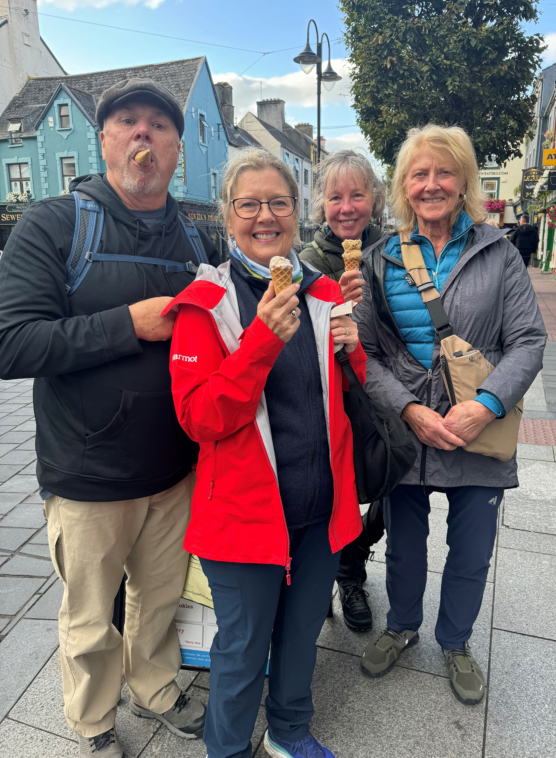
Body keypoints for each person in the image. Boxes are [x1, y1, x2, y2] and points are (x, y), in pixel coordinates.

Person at [0, 79, 220, 757]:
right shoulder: (55, 224)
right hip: (89, 474)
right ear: (104, 139)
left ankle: (154, 689)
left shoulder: (196, 234)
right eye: (128, 123)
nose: (144, 136)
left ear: (178, 148)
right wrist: (129, 325)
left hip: (176, 468)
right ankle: (94, 720)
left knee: (157, 604)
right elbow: (13, 343)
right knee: (91, 618)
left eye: (159, 126)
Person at [166, 147, 367, 758]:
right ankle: (228, 750)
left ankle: (287, 733)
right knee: (243, 647)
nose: (265, 216)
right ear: (228, 217)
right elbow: (200, 418)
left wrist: (354, 348)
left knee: (303, 633)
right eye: (248, 203)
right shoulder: (203, 305)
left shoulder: (324, 292)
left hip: (320, 508)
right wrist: (259, 342)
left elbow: (345, 397)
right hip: (243, 519)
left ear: (297, 212)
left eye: (278, 202)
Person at [353, 124, 546, 704]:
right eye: (419, 174)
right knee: (405, 543)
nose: (431, 184)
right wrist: (408, 408)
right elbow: (364, 352)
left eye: (443, 172)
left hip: (475, 429)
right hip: (409, 428)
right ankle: (402, 625)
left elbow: (529, 340)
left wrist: (485, 408)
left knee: (471, 547)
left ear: (463, 181)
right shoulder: (380, 258)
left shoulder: (499, 251)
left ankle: (456, 641)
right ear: (403, 187)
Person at [300, 150, 386, 633]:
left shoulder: (397, 251)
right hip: (335, 399)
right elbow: (300, 343)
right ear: (322, 205)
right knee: (343, 493)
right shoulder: (308, 263)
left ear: (373, 199)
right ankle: (347, 575)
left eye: (357, 195)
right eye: (336, 196)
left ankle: (358, 551)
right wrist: (333, 306)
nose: (347, 207)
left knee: (394, 489)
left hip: (387, 393)